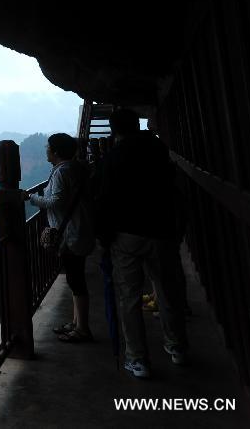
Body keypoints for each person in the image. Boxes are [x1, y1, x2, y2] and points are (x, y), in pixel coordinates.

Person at [96, 108, 188, 379]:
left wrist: (103, 238)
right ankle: (178, 348)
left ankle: (137, 359)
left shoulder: (112, 159)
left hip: (127, 236)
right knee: (168, 291)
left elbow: (104, 200)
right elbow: (174, 188)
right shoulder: (159, 150)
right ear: (137, 125)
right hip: (162, 231)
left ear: (114, 130)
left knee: (129, 297)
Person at [22, 133, 95, 342]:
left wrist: (31, 198)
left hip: (71, 234)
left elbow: (55, 202)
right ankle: (76, 323)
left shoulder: (63, 171)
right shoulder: (76, 168)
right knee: (75, 279)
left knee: (76, 280)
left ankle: (82, 329)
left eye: (48, 147)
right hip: (79, 230)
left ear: (55, 151)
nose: (46, 150)